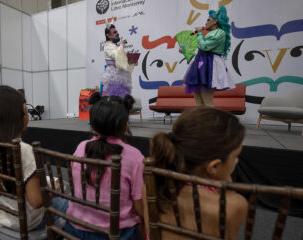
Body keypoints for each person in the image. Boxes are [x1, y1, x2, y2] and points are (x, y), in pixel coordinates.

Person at [143, 107, 248, 240]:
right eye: (235, 156)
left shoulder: (152, 184)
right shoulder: (234, 205)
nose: (237, 161)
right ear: (214, 166)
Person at [0, 85, 67, 231]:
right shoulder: (24, 151)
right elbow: (36, 201)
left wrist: (4, 182)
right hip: (27, 221)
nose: (27, 115)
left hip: (0, 214)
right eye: (25, 111)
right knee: (66, 202)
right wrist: (55, 188)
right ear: (19, 118)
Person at [65, 92, 144, 240]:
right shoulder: (135, 157)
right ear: (126, 124)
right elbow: (140, 207)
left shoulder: (81, 147)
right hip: (116, 234)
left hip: (74, 227)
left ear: (93, 125)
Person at [182, 6, 234, 107]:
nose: (205, 23)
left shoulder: (220, 33)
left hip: (210, 65)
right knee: (198, 99)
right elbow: (201, 49)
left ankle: (212, 122)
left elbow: (204, 46)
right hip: (201, 64)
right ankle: (203, 121)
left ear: (215, 21)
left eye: (208, 20)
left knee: (207, 99)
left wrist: (200, 33)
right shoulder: (211, 33)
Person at [101, 23, 133, 98]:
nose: (117, 34)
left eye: (117, 32)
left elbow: (121, 59)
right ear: (108, 35)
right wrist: (122, 45)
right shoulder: (108, 46)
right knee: (114, 98)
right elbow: (116, 55)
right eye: (114, 32)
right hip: (113, 75)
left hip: (120, 74)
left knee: (122, 97)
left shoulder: (115, 45)